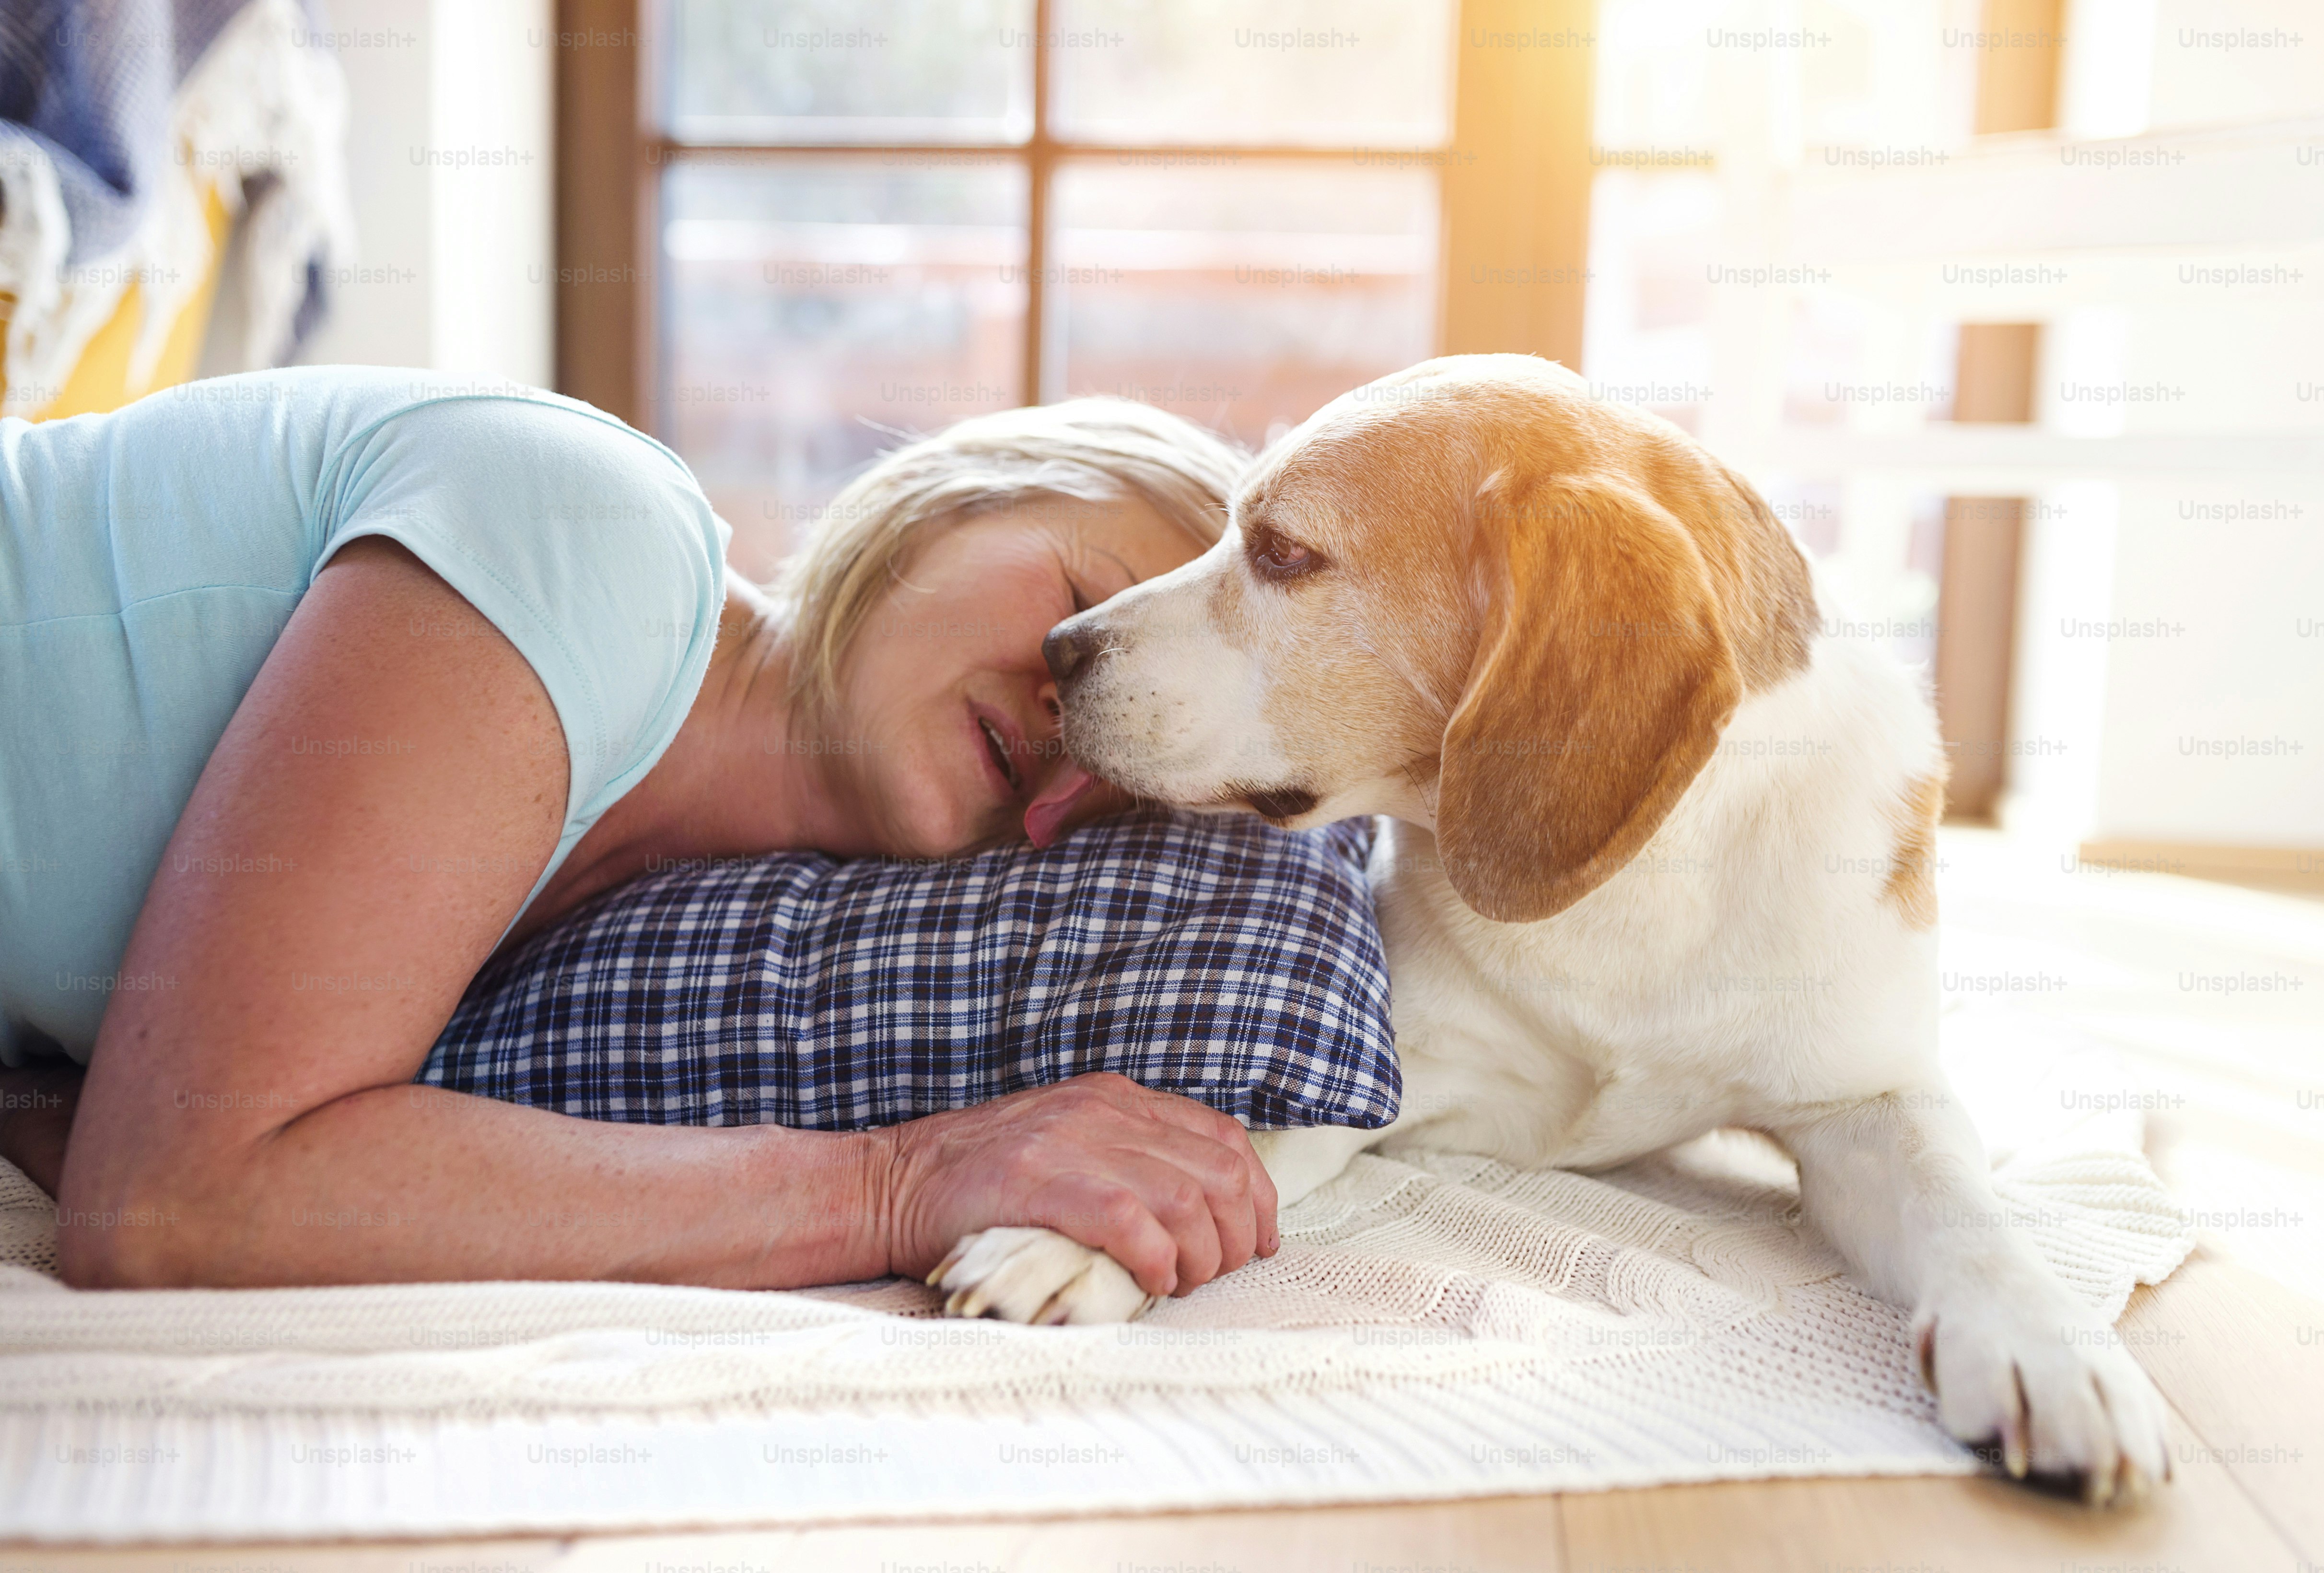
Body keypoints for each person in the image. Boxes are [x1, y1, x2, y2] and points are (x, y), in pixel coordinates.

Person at [0, 368, 1276, 1296]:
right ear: (949, 504)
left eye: (1123, 753)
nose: (1068, 724)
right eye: (1081, 610)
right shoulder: (600, 537)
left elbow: (161, 1131)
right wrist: (899, 1183)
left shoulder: (622, 905)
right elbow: (172, 1198)